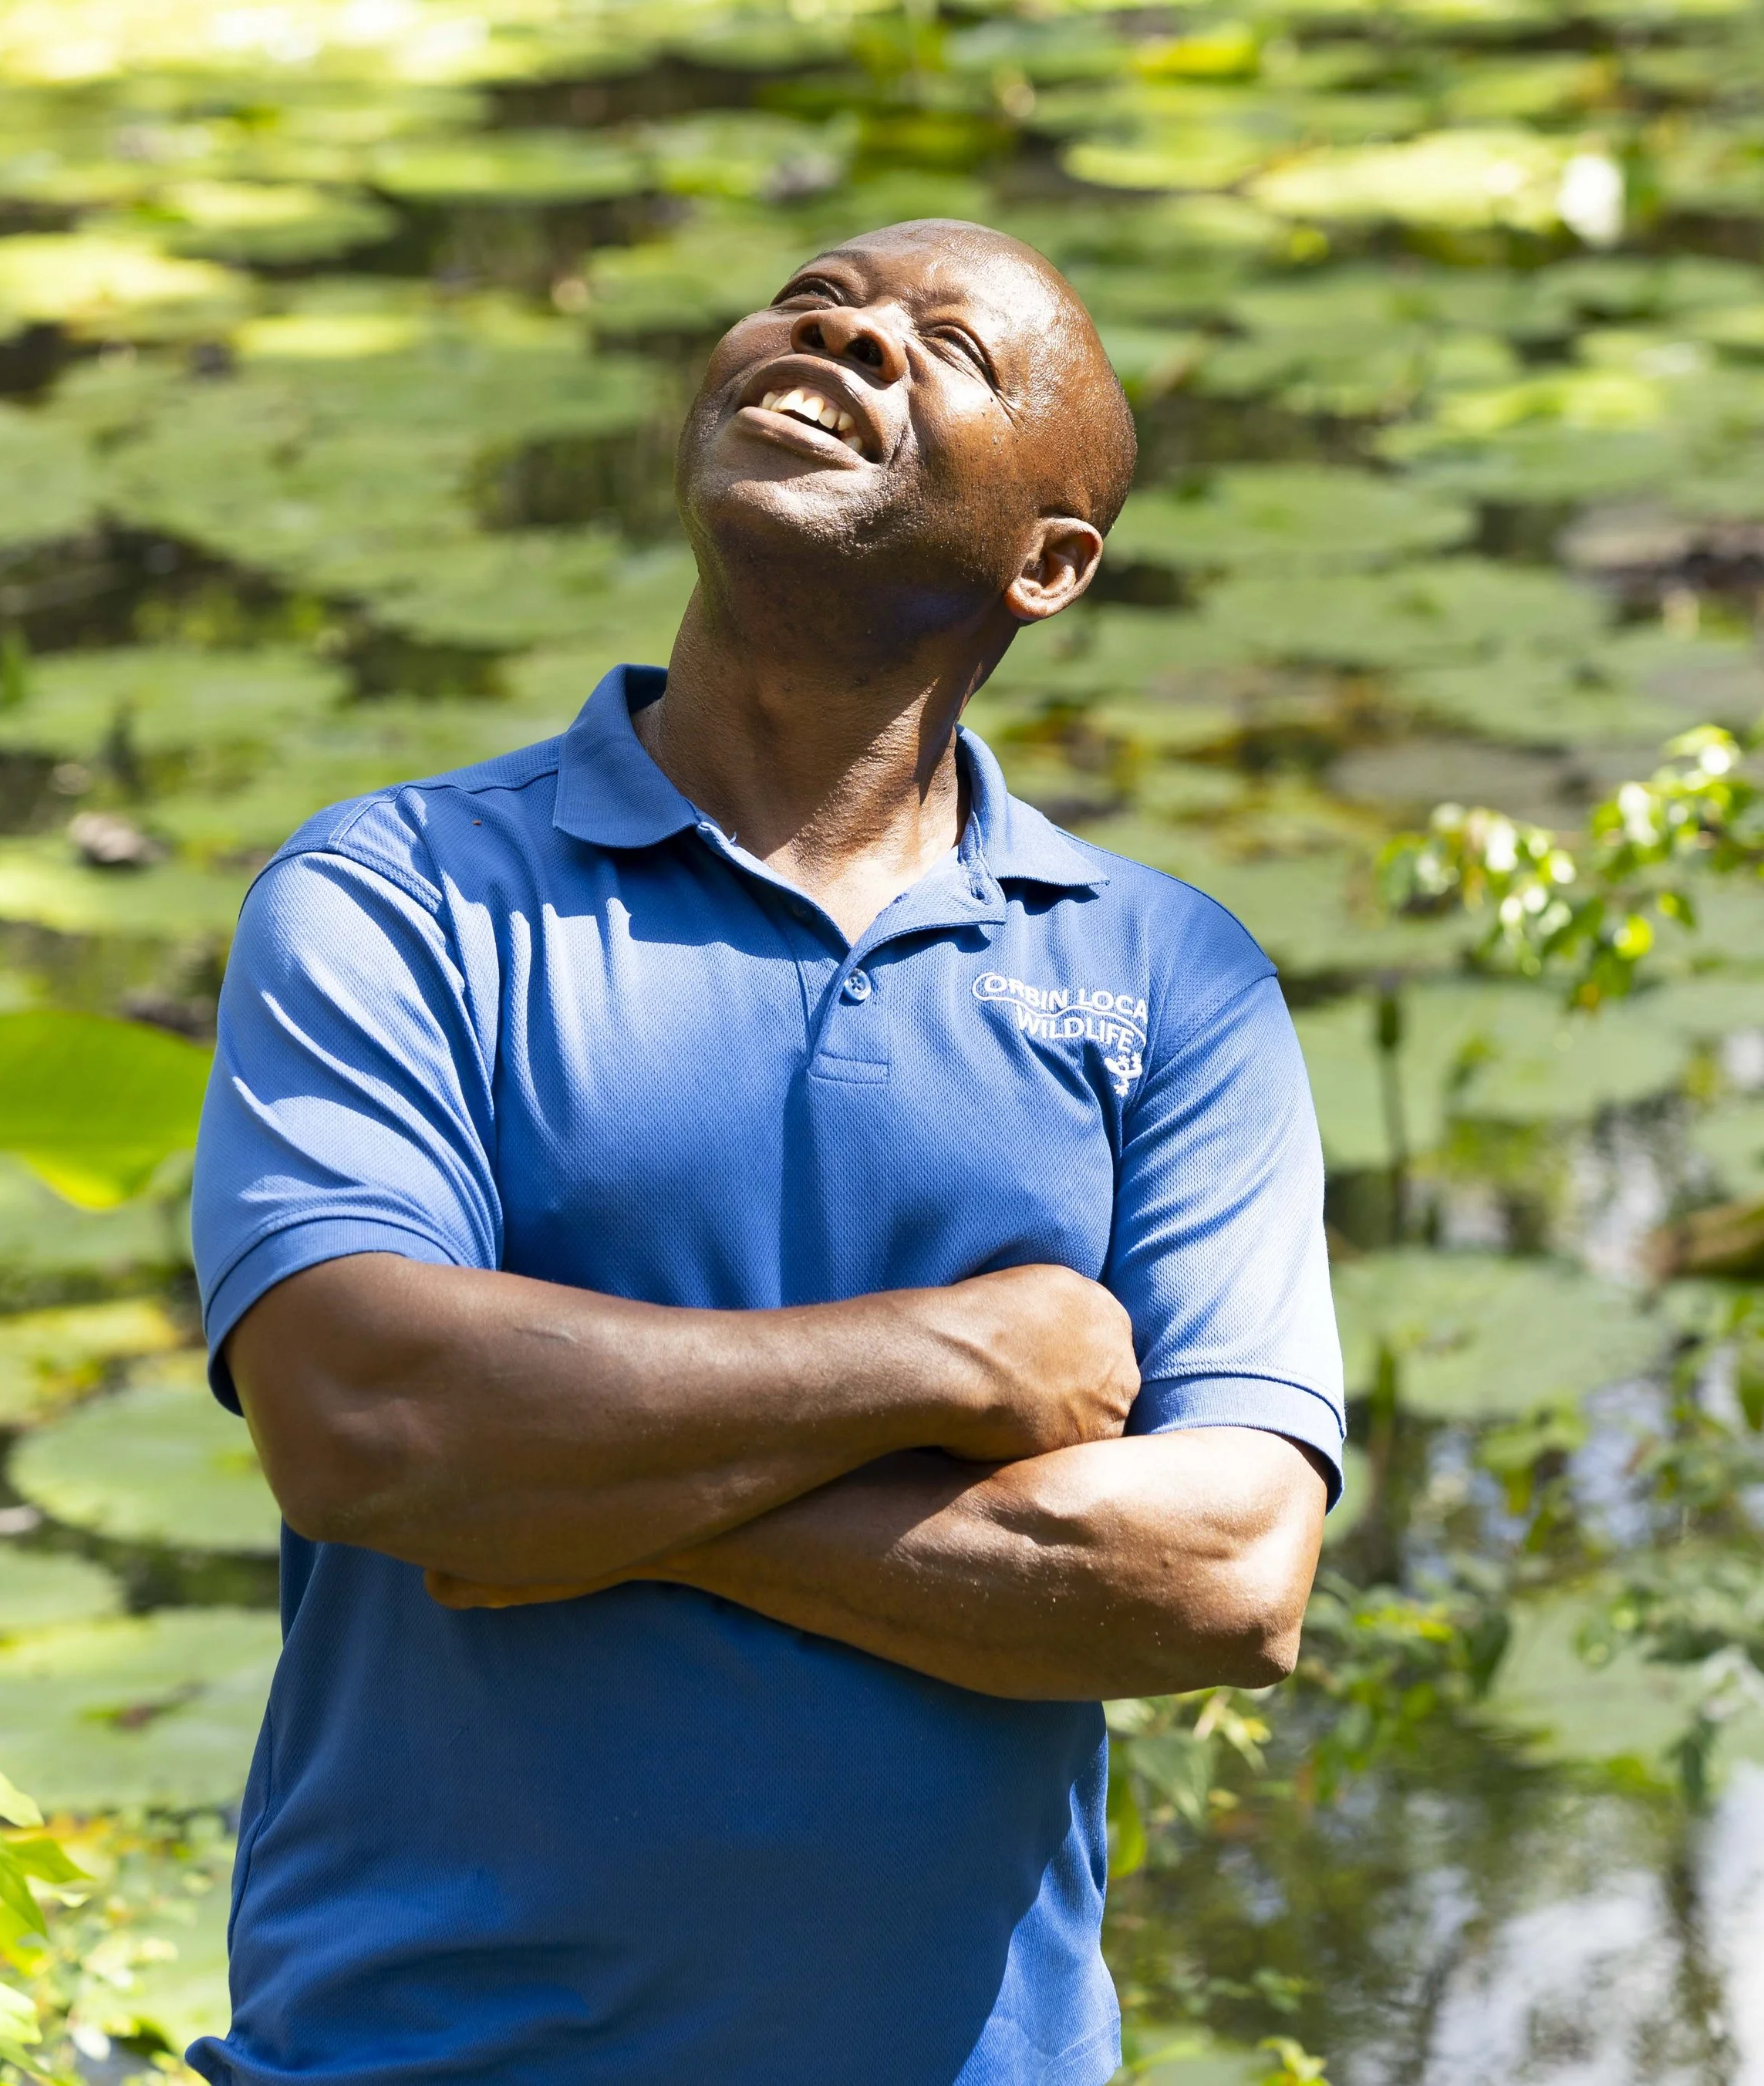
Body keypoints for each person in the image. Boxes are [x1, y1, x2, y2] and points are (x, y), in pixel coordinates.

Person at [189, 218, 1344, 2086]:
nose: (850, 333)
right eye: (817, 295)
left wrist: (570, 1506)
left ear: (1048, 562)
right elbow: (368, 1420)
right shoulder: (392, 895)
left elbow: (1219, 1576)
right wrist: (957, 1359)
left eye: (946, 347)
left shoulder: (1170, 978)